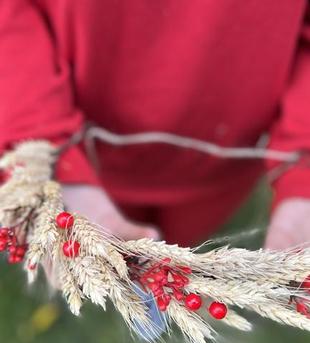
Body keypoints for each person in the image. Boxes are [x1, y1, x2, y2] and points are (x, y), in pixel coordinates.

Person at [1, 0, 310, 249]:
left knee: (176, 252)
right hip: (76, 152)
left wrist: (303, 168)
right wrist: (45, 154)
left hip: (218, 172)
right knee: (103, 259)